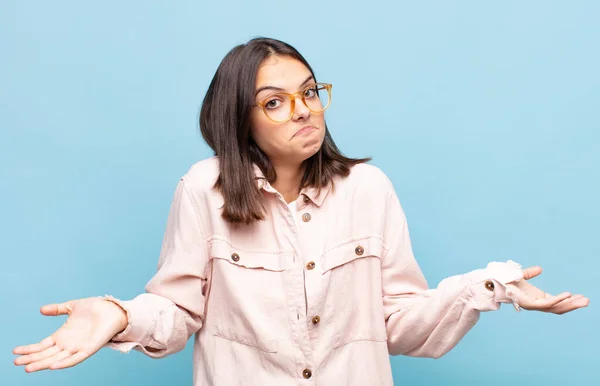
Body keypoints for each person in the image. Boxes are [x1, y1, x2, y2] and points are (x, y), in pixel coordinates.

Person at [13, 37, 589, 385]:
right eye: (275, 102)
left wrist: (490, 287)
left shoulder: (369, 188)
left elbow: (400, 326)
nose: (302, 110)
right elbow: (177, 312)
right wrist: (118, 314)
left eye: (310, 92)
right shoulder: (202, 189)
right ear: (241, 119)